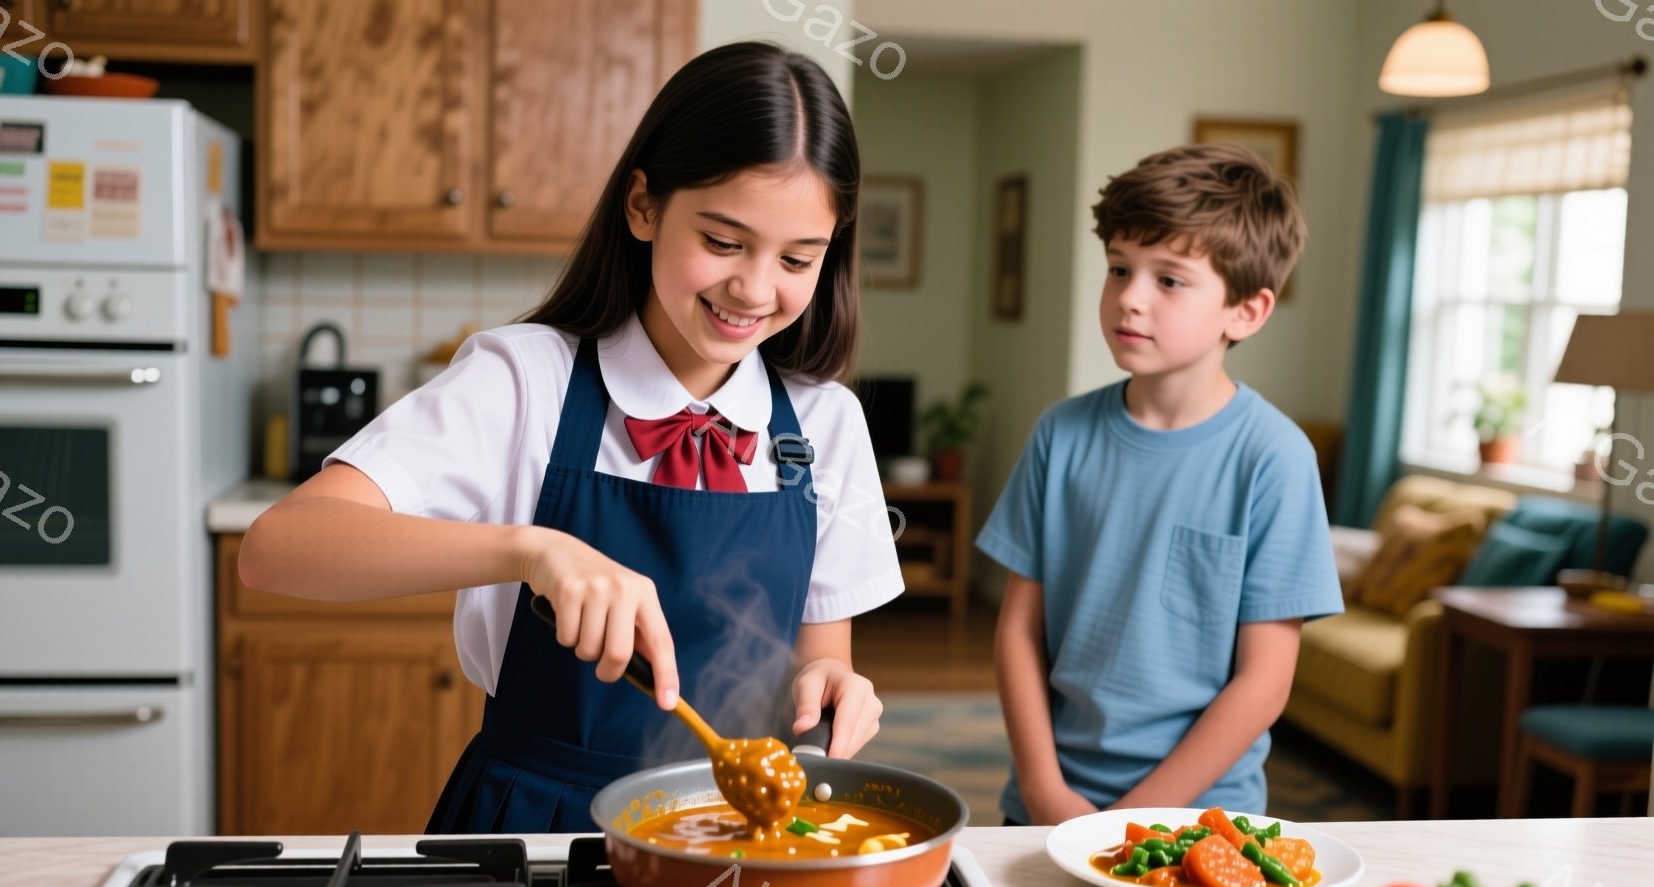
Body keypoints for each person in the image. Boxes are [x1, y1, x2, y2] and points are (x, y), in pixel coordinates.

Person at [238, 42, 903, 833]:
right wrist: (532, 552)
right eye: (723, 242)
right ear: (643, 206)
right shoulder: (525, 380)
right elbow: (277, 548)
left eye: (798, 258)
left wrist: (834, 681)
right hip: (537, 823)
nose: (755, 288)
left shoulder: (826, 423)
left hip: (738, 833)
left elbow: (824, 653)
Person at [977, 143, 1343, 825]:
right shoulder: (1059, 435)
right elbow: (1018, 633)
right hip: (1047, 807)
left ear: (1247, 311)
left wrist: (1133, 819)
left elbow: (1262, 682)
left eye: (1169, 280)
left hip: (1199, 821)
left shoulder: (1274, 459)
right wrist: (1043, 790)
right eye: (1119, 268)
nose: (1130, 298)